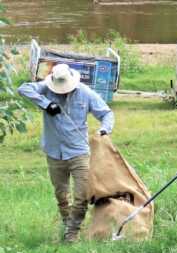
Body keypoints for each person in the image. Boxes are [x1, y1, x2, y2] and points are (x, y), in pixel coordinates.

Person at [18, 63, 114, 242]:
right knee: (61, 195)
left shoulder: (85, 92)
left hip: (78, 151)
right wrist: (46, 104)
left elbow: (107, 113)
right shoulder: (46, 88)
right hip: (54, 152)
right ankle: (67, 224)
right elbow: (23, 88)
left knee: (81, 195)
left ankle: (72, 233)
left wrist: (104, 129)